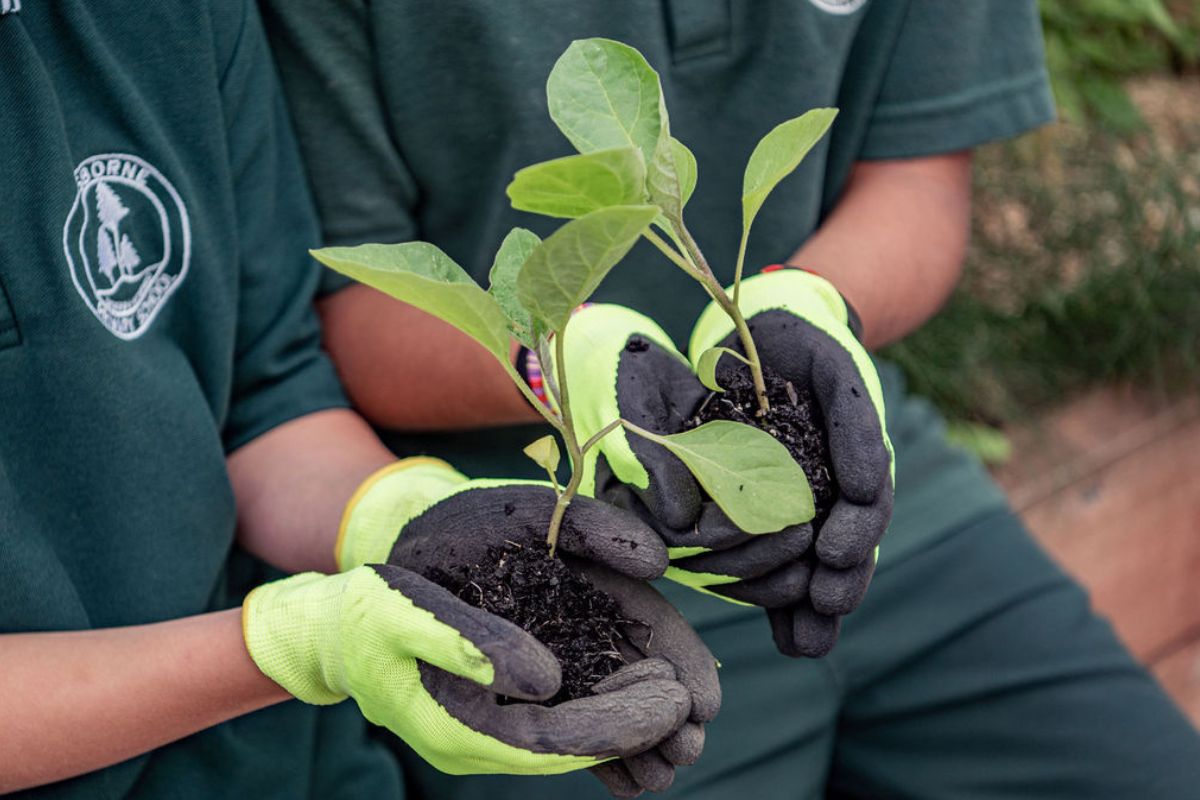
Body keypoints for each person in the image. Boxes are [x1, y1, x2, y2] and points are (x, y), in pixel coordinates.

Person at [260, 0, 1200, 797]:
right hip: (545, 537)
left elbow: (916, 177)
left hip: (864, 481)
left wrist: (804, 304)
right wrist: (565, 356)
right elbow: (347, 307)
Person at [0, 1, 719, 796]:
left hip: (296, 767)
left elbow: (266, 395)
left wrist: (405, 518)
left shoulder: (164, 19)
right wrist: (301, 645)